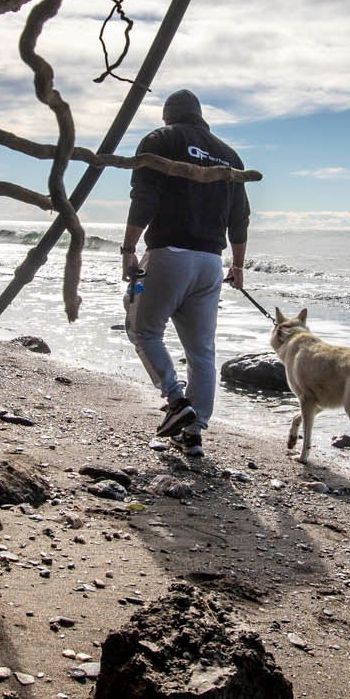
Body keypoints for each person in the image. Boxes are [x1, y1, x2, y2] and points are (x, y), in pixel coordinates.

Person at [120, 89, 249, 458]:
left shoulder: (162, 139)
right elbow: (240, 216)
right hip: (210, 262)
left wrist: (129, 248)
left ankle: (177, 404)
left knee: (142, 330)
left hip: (170, 254)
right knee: (201, 351)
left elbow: (144, 196)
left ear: (167, 115)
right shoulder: (228, 154)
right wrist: (237, 265)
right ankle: (193, 433)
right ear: (200, 116)